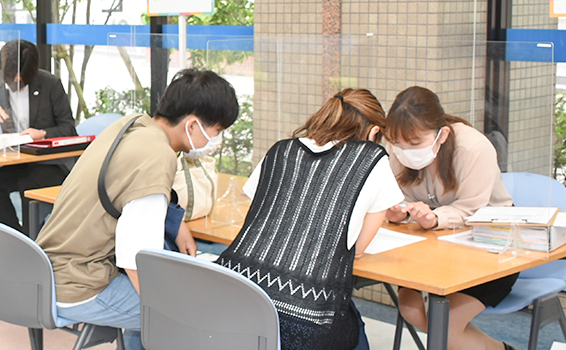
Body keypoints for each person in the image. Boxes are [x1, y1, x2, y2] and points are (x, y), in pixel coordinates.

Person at [36, 69, 239, 350]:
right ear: (192, 125)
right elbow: (135, 258)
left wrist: (178, 225)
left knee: (164, 293)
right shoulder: (158, 156)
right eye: (216, 132)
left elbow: (127, 191)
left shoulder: (130, 125)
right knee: (197, 312)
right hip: (80, 283)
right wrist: (168, 308)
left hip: (47, 269)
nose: (214, 142)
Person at [217, 89, 403, 350]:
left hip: (233, 297)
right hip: (304, 319)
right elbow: (358, 249)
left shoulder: (281, 150)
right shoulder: (372, 158)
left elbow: (260, 220)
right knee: (352, 328)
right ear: (374, 132)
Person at [384, 86, 515, 350]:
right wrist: (395, 213)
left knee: (443, 326)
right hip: (428, 245)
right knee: (410, 310)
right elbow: (394, 198)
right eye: (398, 143)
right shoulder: (396, 146)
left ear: (442, 135)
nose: (404, 151)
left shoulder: (473, 148)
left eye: (415, 144)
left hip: (488, 244)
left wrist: (434, 218)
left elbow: (470, 210)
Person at [0, 39, 77, 234]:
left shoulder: (50, 84)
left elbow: (69, 128)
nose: (16, 80)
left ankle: (31, 238)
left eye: (21, 76)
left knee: (28, 186)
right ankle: (14, 235)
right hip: (18, 160)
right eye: (11, 75)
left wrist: (43, 134)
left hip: (50, 163)